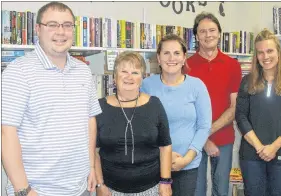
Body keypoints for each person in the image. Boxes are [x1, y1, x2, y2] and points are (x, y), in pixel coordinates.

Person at [1, 2, 102, 196]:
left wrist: (90, 167)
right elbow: (6, 133)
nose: (61, 32)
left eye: (67, 25)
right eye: (53, 25)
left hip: (80, 188)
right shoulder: (18, 71)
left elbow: (89, 120)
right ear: (38, 29)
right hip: (38, 190)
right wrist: (23, 190)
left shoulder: (83, 71)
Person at [141, 34, 212, 196]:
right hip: (154, 164)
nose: (171, 58)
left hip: (187, 165)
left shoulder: (197, 86)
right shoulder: (146, 86)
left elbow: (204, 126)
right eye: (166, 53)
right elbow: (141, 126)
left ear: (184, 58)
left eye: (176, 53)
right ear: (158, 58)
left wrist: (186, 159)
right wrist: (164, 156)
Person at [95, 51, 172, 196]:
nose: (129, 77)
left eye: (135, 72)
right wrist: (100, 185)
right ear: (114, 77)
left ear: (142, 78)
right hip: (110, 190)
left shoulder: (155, 105)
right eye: (124, 71)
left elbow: (165, 146)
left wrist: (166, 181)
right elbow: (94, 151)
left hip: (151, 189)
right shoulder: (99, 107)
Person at [235, 29, 281, 196]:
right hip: (251, 156)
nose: (265, 56)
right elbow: (241, 117)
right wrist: (259, 147)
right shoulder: (247, 81)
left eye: (270, 51)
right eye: (260, 52)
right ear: (256, 56)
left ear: (279, 52)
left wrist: (273, 148)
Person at [187, 12, 242, 196]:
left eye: (212, 30)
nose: (208, 35)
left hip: (224, 138)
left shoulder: (232, 65)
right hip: (193, 141)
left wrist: (209, 131)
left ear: (219, 33)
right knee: (197, 190)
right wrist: (204, 139)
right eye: (202, 31)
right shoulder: (186, 65)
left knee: (222, 190)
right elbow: (185, 108)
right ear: (196, 36)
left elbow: (235, 106)